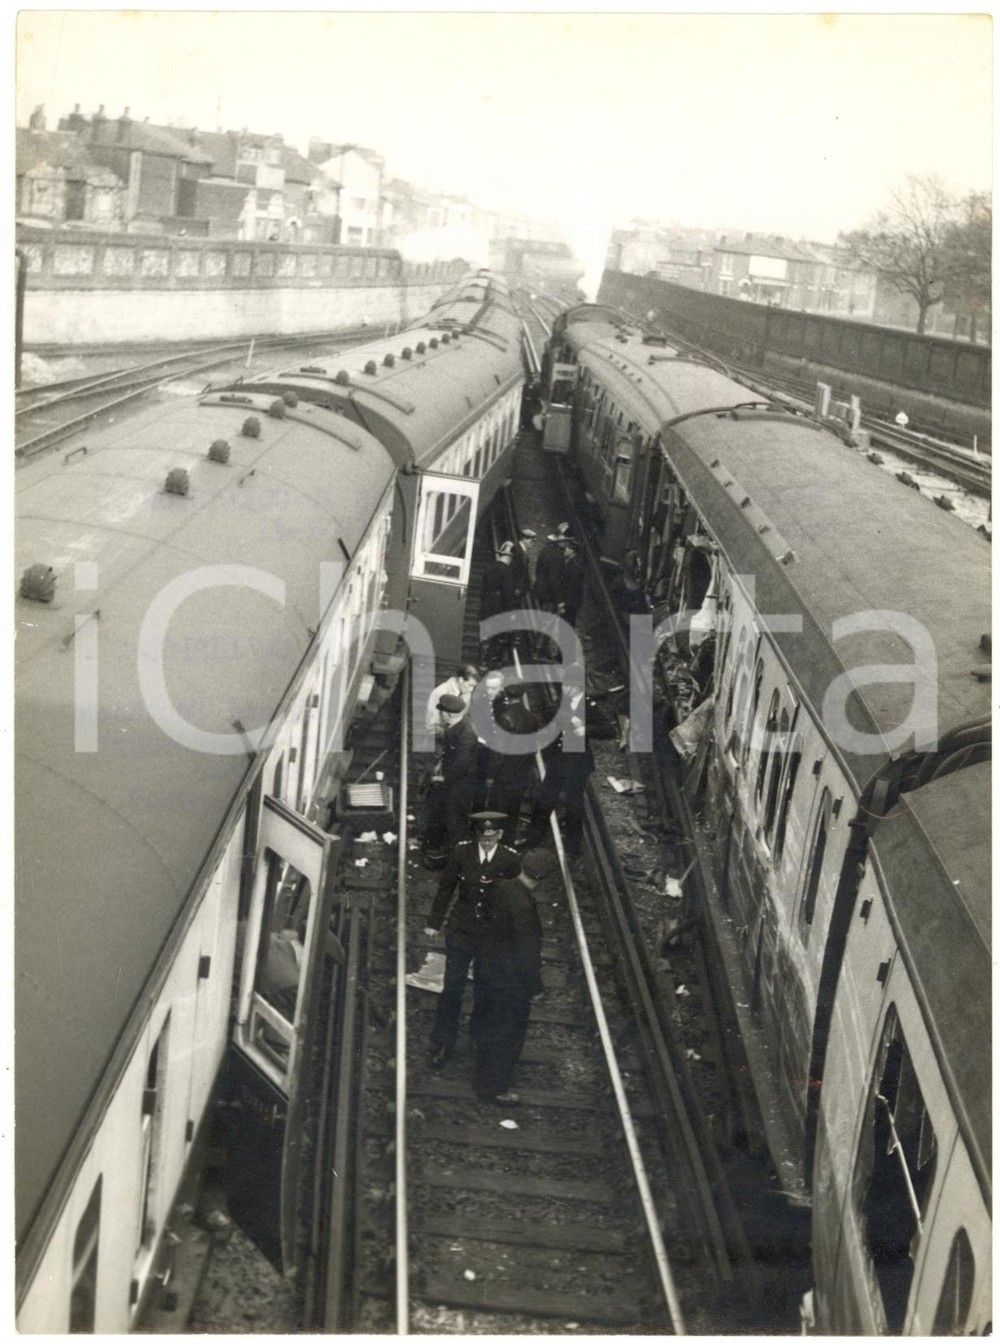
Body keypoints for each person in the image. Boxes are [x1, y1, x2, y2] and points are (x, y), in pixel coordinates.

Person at [424, 812, 521, 1067]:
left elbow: (515, 901)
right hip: (461, 930)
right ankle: (444, 1041)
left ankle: (478, 1036)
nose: (487, 841)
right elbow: (446, 887)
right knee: (452, 988)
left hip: (491, 935)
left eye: (492, 836)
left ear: (500, 835)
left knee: (485, 988)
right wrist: (434, 923)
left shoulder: (510, 859)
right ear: (476, 834)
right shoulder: (461, 853)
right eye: (483, 836)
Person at [470, 847, 558, 1103]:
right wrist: (535, 987)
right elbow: (527, 956)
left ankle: (479, 1061)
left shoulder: (502, 888)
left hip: (486, 970)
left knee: (486, 1022)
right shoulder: (524, 909)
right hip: (509, 983)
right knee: (507, 1034)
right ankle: (494, 1089)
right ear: (542, 878)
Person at [520, 711, 595, 859]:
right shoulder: (557, 706)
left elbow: (608, 731)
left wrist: (585, 728)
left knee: (573, 807)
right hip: (558, 762)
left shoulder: (588, 707)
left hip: (577, 766)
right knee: (544, 801)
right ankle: (532, 839)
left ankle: (572, 848)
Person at [422, 694, 480, 860]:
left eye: (442, 712)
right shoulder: (455, 724)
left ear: (447, 714)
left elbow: (462, 764)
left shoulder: (467, 734)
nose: (440, 715)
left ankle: (455, 856)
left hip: (461, 784)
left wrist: (443, 778)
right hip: (453, 778)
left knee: (455, 819)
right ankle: (441, 846)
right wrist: (441, 764)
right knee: (445, 812)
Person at [483, 680, 540, 845]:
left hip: (503, 775)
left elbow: (498, 751)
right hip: (521, 774)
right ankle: (507, 846)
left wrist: (490, 775)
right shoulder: (531, 718)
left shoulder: (505, 717)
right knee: (512, 814)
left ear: (506, 694)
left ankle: (492, 848)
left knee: (496, 813)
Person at [479, 542, 517, 666]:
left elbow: (482, 591)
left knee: (485, 635)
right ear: (510, 557)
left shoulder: (488, 569)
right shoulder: (507, 572)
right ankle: (492, 662)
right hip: (499, 607)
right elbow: (508, 593)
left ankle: (482, 663)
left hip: (486, 606)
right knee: (497, 636)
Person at [425, 664, 480, 736]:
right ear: (460, 680)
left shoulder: (466, 691)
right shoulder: (439, 692)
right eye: (470, 685)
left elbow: (465, 716)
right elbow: (431, 726)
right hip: (440, 739)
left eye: (473, 686)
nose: (471, 689)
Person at [559, 539, 586, 629]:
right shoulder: (573, 561)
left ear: (572, 551)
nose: (565, 550)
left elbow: (572, 587)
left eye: (567, 548)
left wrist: (564, 602)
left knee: (567, 623)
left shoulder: (575, 567)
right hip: (573, 600)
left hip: (571, 601)